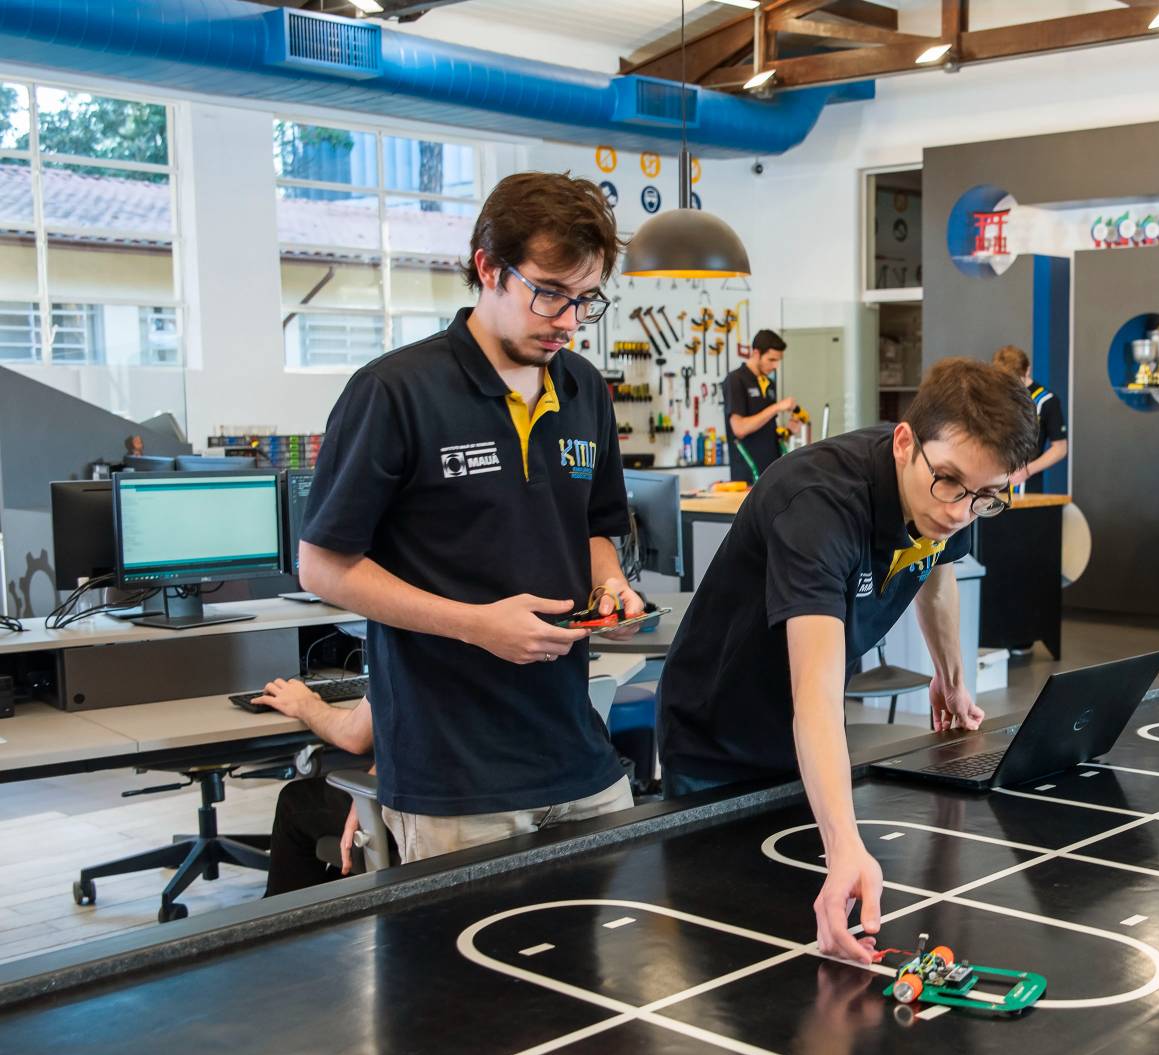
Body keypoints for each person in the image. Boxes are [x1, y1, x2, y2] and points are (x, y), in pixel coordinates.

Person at [298, 171, 643, 864]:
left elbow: (593, 528)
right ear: (488, 267)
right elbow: (323, 567)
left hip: (579, 757)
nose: (569, 321)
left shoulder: (584, 391)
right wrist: (475, 625)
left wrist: (611, 586)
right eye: (550, 293)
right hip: (452, 778)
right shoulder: (392, 392)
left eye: (585, 300)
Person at [656, 357, 1038, 961]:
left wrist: (951, 677)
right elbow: (813, 693)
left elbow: (938, 568)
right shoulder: (818, 501)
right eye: (949, 483)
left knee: (814, 947)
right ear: (905, 442)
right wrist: (844, 848)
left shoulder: (954, 491)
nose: (959, 510)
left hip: (812, 745)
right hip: (719, 738)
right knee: (737, 945)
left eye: (985, 496)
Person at [250, 679, 378, 895]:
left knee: (295, 802)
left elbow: (355, 735)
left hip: (414, 808)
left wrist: (306, 704)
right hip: (436, 798)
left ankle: (288, 915)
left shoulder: (403, 659)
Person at [991, 345, 1067, 494]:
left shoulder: (1047, 401)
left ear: (1027, 370)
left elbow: (1060, 448)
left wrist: (1027, 470)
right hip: (992, 487)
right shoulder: (994, 397)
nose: (1010, 387)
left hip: (1026, 488)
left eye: (1015, 380)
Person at [724, 329, 794, 484]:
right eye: (771, 360)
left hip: (771, 472)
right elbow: (739, 429)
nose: (775, 366)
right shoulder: (735, 380)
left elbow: (766, 429)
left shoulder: (769, 384)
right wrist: (776, 407)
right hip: (748, 475)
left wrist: (789, 431)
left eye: (778, 361)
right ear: (756, 353)